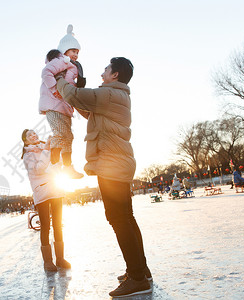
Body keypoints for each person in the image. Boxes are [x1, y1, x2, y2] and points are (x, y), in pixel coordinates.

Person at [55, 57, 152, 297]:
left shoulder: (109, 95)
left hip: (112, 165)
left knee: (118, 219)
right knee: (126, 218)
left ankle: (138, 277)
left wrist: (58, 78)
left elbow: (74, 96)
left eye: (106, 70)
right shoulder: (115, 96)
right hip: (116, 164)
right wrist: (80, 87)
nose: (103, 74)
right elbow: (88, 110)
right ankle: (140, 270)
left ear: (115, 75)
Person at [38, 24, 86, 179]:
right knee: (60, 134)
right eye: (73, 51)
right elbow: (46, 72)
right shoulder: (62, 61)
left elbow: (69, 86)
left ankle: (67, 166)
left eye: (77, 52)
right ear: (65, 50)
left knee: (68, 136)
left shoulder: (72, 66)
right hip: (54, 104)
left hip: (64, 106)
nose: (76, 55)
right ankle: (53, 164)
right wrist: (54, 89)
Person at [21, 129, 71, 272]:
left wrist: (52, 149)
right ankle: (48, 261)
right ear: (25, 140)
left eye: (34, 133)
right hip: (41, 191)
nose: (33, 135)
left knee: (57, 224)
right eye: (30, 135)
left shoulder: (46, 146)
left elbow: (58, 162)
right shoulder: (28, 155)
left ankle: (60, 258)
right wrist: (47, 151)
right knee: (45, 225)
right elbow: (38, 169)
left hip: (55, 187)